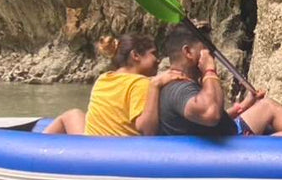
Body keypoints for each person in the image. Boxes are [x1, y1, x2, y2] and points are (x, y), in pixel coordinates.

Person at [156, 26, 282, 138]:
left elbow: (206, 120)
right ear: (188, 52)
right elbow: (210, 114)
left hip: (227, 134)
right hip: (229, 147)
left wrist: (243, 106)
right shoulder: (179, 90)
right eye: (207, 49)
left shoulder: (183, 84)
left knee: (270, 113)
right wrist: (209, 70)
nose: (211, 56)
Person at [44, 34, 188, 136]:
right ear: (135, 55)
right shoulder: (140, 83)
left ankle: (38, 147)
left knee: (72, 114)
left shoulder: (103, 78)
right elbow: (147, 130)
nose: (158, 60)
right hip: (113, 153)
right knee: (74, 114)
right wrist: (155, 86)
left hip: (89, 143)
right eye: (153, 54)